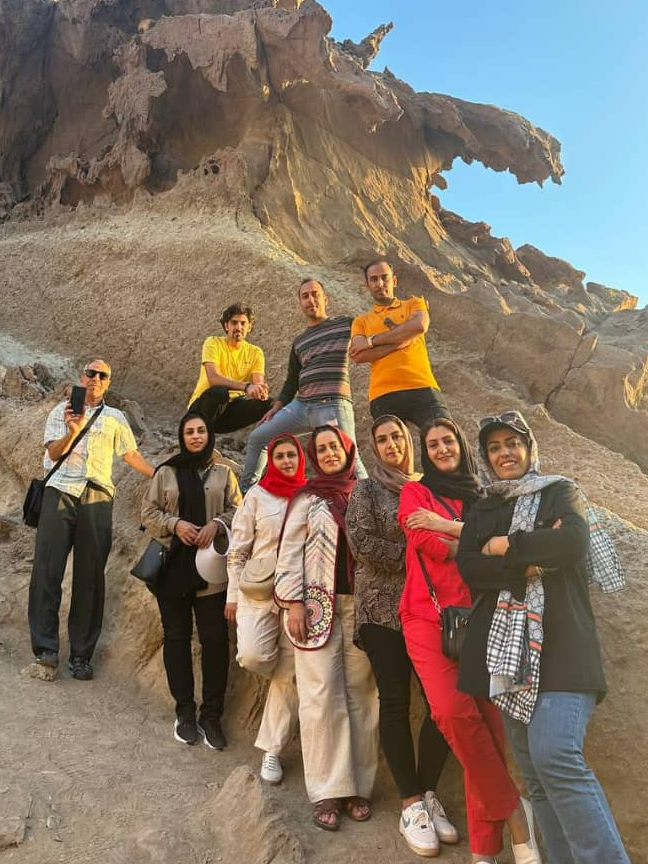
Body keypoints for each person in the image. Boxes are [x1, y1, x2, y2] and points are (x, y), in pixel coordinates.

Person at [456, 410, 631, 864]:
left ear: (529, 447)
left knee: (555, 755)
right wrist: (531, 560)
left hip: (564, 646)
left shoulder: (559, 491)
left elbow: (571, 544)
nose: (505, 453)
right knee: (535, 774)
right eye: (494, 447)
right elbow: (470, 567)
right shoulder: (484, 508)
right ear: (485, 458)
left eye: (512, 443)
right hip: (509, 656)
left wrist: (505, 547)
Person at [398, 418, 540, 864]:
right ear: (425, 453)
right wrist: (476, 541)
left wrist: (454, 529)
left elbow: (507, 548)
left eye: (448, 441)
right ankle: (516, 813)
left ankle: (484, 852)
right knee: (452, 712)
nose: (442, 449)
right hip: (427, 615)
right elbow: (425, 540)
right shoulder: (415, 492)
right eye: (432, 444)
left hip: (482, 616)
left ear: (461, 445)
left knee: (490, 730)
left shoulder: (484, 497)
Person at [346, 415, 457, 858]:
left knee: (441, 705)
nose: (391, 444)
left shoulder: (429, 487)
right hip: (381, 611)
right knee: (394, 700)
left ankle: (428, 793)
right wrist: (421, 551)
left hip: (430, 611)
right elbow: (362, 543)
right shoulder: (366, 490)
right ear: (373, 447)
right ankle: (410, 803)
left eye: (397, 436)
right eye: (382, 439)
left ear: (409, 441)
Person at [274, 425, 378, 831]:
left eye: (335, 446)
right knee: (319, 697)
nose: (330, 452)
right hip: (315, 608)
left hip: (361, 607)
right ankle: (327, 790)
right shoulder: (308, 498)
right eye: (322, 449)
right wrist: (293, 603)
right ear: (314, 457)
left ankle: (358, 786)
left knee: (362, 696)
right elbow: (288, 554)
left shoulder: (366, 493)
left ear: (347, 449)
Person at [28, 359, 154, 681]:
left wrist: (160, 474)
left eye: (103, 375)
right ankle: (45, 650)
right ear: (82, 377)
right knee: (47, 569)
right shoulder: (60, 412)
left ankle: (81, 656)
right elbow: (53, 453)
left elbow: (130, 454)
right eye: (91, 373)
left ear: (108, 383)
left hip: (97, 496)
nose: (96, 378)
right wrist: (72, 432)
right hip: (59, 491)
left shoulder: (115, 418)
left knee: (90, 576)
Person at [141, 411, 241, 748]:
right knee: (177, 639)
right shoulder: (166, 472)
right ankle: (184, 711)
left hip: (212, 571)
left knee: (215, 641)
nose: (196, 436)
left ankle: (211, 716)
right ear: (182, 437)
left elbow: (239, 511)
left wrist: (218, 524)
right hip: (173, 569)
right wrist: (175, 524)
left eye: (201, 431)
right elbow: (148, 513)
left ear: (209, 435)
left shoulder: (225, 473)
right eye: (189, 432)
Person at [226, 434, 306, 784]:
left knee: (290, 674)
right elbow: (238, 549)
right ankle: (281, 674)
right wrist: (231, 595)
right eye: (280, 456)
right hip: (257, 592)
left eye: (292, 455)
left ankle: (272, 750)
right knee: (253, 656)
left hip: (297, 596)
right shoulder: (257, 495)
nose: (287, 461)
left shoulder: (310, 496)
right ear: (271, 460)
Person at [239, 280, 367, 491]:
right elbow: (292, 380)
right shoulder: (299, 341)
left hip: (332, 404)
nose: (311, 300)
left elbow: (369, 334)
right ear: (300, 303)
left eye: (315, 294)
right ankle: (247, 495)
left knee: (349, 457)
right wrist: (276, 408)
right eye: (305, 296)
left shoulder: (346, 325)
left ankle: (371, 502)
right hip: (301, 406)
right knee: (258, 437)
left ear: (325, 299)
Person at [350, 259, 450, 428]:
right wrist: (402, 340)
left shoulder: (414, 303)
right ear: (367, 285)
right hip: (383, 393)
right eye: (374, 279)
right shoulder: (361, 321)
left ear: (394, 281)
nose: (380, 283)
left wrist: (372, 341)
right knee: (393, 445)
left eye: (385, 278)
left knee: (445, 434)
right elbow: (359, 355)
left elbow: (419, 325)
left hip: (422, 385)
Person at [187, 302, 274, 433]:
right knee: (220, 392)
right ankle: (202, 437)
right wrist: (246, 387)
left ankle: (262, 443)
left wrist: (260, 391)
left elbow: (258, 383)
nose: (239, 327)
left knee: (271, 404)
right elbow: (213, 378)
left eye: (243, 323)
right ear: (226, 325)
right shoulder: (213, 343)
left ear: (249, 327)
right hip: (201, 410)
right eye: (234, 323)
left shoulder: (255, 352)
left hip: (227, 412)